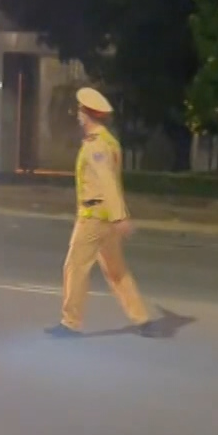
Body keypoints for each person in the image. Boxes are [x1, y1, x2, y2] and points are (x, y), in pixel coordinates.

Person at [47, 88, 157, 338]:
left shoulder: (95, 146)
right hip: (106, 218)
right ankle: (142, 319)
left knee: (75, 267)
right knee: (116, 272)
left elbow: (107, 180)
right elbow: (115, 182)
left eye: (79, 112)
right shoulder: (110, 142)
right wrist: (119, 215)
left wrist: (120, 216)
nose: (78, 116)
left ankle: (70, 323)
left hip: (94, 217)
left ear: (86, 115)